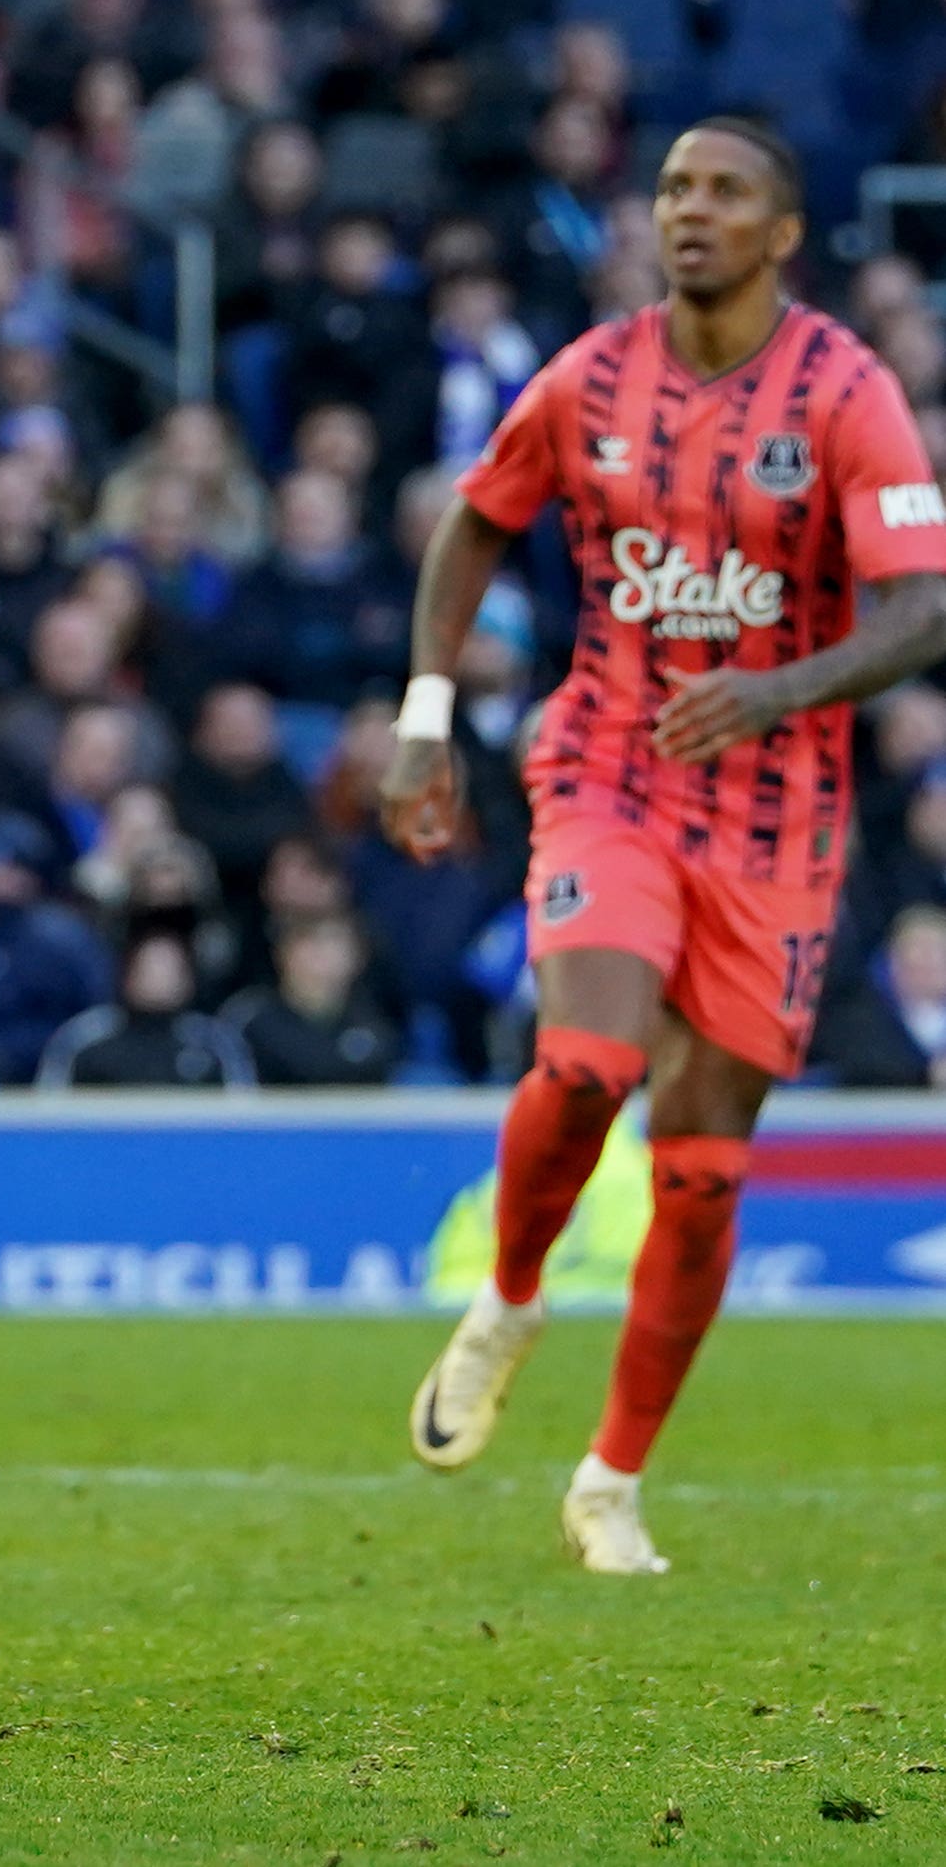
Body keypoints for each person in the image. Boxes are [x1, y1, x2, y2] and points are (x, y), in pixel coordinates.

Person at [386, 116, 946, 1573]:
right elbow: (472, 525)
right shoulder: (589, 377)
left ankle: (609, 1480)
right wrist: (424, 710)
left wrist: (772, 686)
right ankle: (510, 1297)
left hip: (778, 816)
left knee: (698, 1173)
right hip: (609, 770)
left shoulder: (844, 393)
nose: (688, 211)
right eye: (673, 189)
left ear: (779, 234)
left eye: (725, 193)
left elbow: (921, 606)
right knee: (583, 1063)